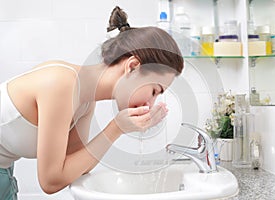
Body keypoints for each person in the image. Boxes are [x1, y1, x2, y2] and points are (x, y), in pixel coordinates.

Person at [0, 6, 184, 199]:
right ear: (133, 66)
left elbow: (75, 170)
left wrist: (120, 128)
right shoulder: (62, 84)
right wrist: (115, 128)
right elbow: (51, 181)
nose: (151, 102)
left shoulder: (86, 101)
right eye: (154, 90)